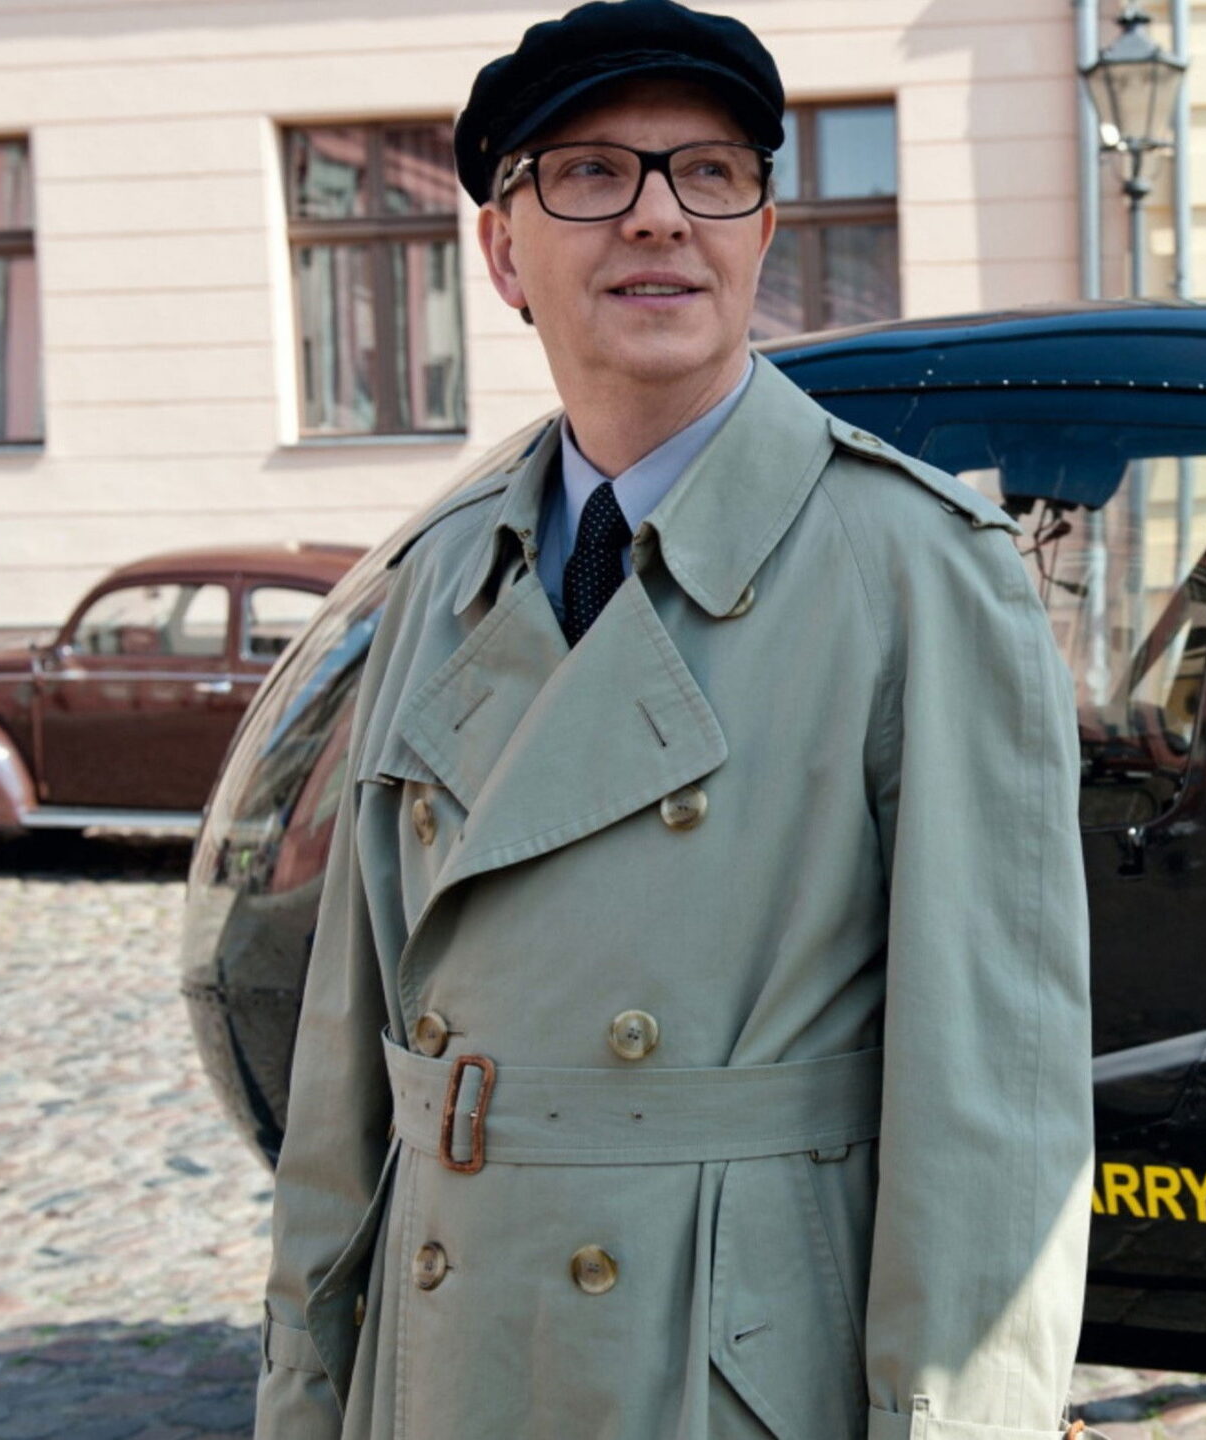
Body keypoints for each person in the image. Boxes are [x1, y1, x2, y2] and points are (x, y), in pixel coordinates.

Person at [253, 4, 1093, 1439]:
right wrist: (308, 1395)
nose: (658, 216)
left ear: (759, 234)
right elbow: (347, 1063)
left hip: (726, 1372)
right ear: (502, 252)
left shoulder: (918, 569)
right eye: (591, 172)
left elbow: (993, 1109)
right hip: (442, 1356)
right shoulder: (445, 568)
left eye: (709, 172)